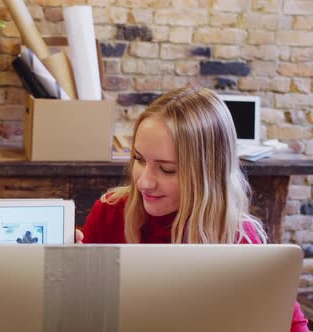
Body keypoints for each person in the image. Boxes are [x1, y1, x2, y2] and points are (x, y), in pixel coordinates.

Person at [76, 87, 309, 331]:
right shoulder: (110, 212)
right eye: (139, 159)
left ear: (208, 174)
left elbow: (292, 325)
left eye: (166, 169)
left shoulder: (239, 240)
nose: (143, 182)